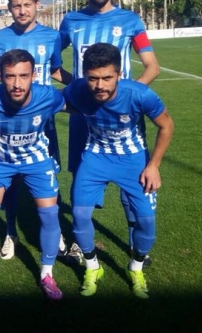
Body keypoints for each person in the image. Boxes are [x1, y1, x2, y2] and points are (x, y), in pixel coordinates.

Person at [59, 0, 161, 264]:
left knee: (134, 182)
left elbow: (152, 66)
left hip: (124, 119)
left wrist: (127, 98)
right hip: (85, 118)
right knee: (81, 177)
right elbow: (52, 64)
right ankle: (80, 244)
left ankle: (135, 245)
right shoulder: (71, 21)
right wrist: (81, 93)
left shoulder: (131, 21)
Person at [0, 0, 77, 262]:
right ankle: (11, 232)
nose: (22, 11)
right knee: (9, 181)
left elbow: (55, 70)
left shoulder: (51, 37)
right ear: (9, 8)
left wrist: (83, 87)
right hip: (8, 121)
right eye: (16, 6)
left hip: (42, 121)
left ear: (37, 5)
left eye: (27, 5)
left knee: (48, 174)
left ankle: (55, 232)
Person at [63, 43, 173, 299]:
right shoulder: (77, 89)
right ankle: (93, 267)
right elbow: (54, 100)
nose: (99, 85)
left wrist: (153, 165)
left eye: (107, 78)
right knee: (79, 215)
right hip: (95, 157)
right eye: (93, 78)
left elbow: (166, 126)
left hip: (133, 160)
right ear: (85, 76)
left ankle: (136, 268)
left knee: (146, 222)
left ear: (119, 74)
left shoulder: (139, 94)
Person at [0, 49, 65, 304]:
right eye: (10, 76)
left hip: (37, 161)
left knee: (50, 215)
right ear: (0, 76)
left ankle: (47, 274)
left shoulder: (48, 96)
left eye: (24, 76)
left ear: (34, 75)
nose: (17, 84)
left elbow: (78, 105)